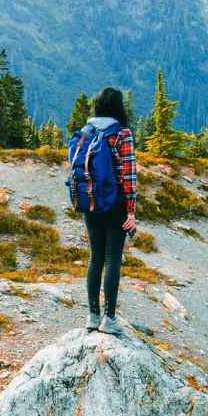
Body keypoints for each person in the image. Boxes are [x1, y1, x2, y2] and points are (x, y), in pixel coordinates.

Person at [67, 87, 137, 333]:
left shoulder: (86, 131)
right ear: (119, 107)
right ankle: (109, 319)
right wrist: (131, 211)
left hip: (90, 202)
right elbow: (128, 175)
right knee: (112, 259)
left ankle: (92, 317)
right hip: (115, 203)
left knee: (95, 257)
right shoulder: (122, 134)